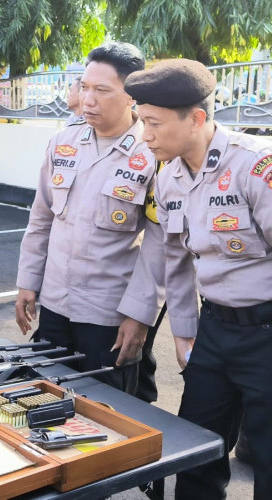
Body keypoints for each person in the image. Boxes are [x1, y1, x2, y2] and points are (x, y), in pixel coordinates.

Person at [125, 58, 272, 500]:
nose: (144, 135)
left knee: (267, 456)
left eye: (153, 123)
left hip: (266, 335)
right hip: (214, 331)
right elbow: (177, 260)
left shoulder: (254, 167)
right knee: (197, 447)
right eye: (141, 122)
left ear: (197, 119)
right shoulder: (168, 177)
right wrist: (185, 334)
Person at [15, 42, 164, 395]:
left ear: (131, 96)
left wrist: (139, 315)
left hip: (108, 315)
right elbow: (41, 219)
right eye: (84, 87)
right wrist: (27, 282)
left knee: (107, 414)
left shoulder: (154, 153)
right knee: (44, 402)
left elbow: (161, 245)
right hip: (55, 304)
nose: (87, 100)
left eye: (101, 90)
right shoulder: (62, 143)